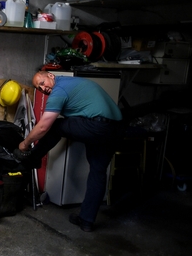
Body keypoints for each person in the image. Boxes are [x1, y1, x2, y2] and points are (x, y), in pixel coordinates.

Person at [16, 71, 125, 232]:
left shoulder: (60, 90)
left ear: (51, 75)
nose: (43, 88)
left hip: (96, 126)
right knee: (98, 172)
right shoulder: (71, 83)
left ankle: (33, 159)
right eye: (39, 88)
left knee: (55, 127)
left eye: (42, 82)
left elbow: (44, 125)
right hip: (113, 129)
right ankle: (86, 220)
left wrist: (25, 144)